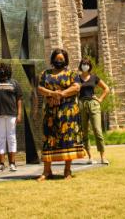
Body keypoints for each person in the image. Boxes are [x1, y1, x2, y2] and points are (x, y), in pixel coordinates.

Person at [36, 49, 85, 181]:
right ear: (52, 60)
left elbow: (76, 87)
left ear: (66, 60)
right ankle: (47, 171)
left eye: (61, 59)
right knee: (49, 139)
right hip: (51, 112)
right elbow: (40, 89)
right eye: (57, 59)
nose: (59, 61)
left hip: (68, 112)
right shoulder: (45, 74)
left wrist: (62, 94)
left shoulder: (71, 74)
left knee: (67, 139)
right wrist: (52, 94)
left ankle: (67, 171)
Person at [0, 62, 23, 173]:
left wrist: (19, 114)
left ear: (8, 70)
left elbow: (19, 100)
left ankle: (12, 163)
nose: (1, 70)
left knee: (11, 137)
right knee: (1, 137)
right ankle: (2, 164)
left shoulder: (14, 83)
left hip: (12, 114)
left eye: (3, 68)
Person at [78, 57, 110, 165]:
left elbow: (106, 88)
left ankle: (103, 157)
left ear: (89, 66)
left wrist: (100, 99)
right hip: (82, 104)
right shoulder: (77, 78)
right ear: (80, 65)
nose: (85, 66)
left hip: (93, 103)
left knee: (97, 130)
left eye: (86, 64)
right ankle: (90, 157)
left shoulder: (94, 77)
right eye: (83, 64)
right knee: (84, 132)